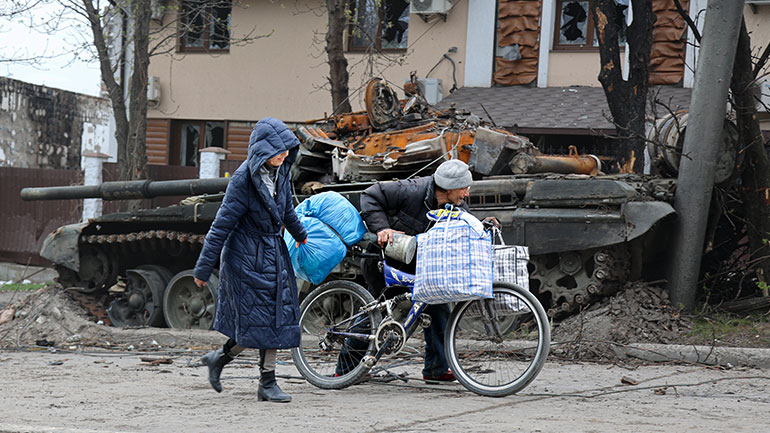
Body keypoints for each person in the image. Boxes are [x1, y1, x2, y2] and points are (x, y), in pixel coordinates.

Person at [193, 117, 308, 403]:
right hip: (245, 258)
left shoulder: (281, 172)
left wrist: (301, 234)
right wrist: (203, 269)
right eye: (278, 149)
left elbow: (286, 210)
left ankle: (221, 359)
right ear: (263, 149)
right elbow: (221, 226)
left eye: (287, 149)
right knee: (263, 320)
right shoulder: (243, 180)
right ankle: (267, 382)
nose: (284, 154)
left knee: (272, 319)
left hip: (273, 253)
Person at [348, 159, 491, 382]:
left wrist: (485, 224)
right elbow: (371, 195)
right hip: (385, 262)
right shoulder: (411, 190)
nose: (467, 193)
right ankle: (345, 369)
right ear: (449, 188)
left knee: (439, 310)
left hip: (421, 267)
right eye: (464, 188)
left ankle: (437, 370)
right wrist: (382, 228)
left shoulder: (457, 206)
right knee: (376, 313)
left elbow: (468, 225)